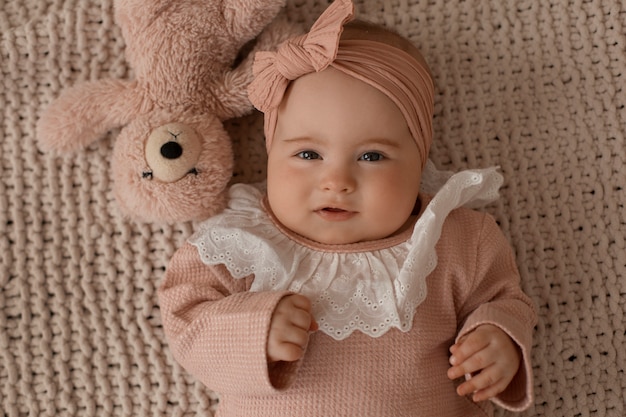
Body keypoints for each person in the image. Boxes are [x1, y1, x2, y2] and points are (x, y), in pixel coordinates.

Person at [158, 0, 537, 415]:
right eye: (307, 154)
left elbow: (504, 299)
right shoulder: (236, 244)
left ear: (419, 161)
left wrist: (498, 338)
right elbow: (185, 323)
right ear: (271, 154)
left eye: (371, 157)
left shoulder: (456, 240)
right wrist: (254, 328)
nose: (336, 181)